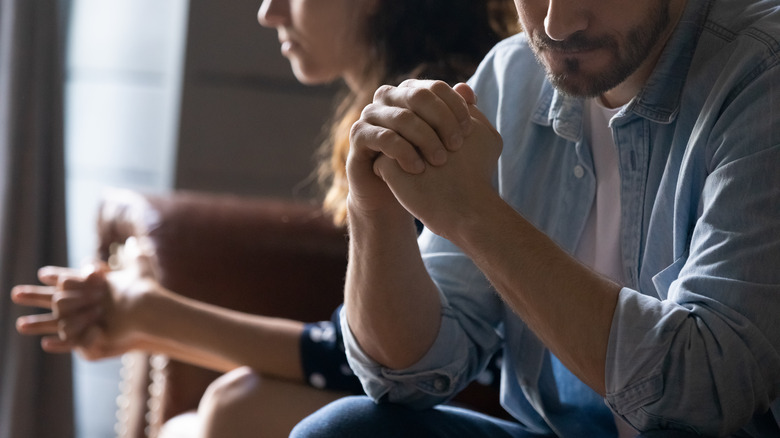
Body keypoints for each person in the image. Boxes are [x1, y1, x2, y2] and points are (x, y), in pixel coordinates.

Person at [10, 0, 519, 437]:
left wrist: (151, 316)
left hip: (480, 401)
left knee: (240, 407)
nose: (267, 12)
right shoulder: (394, 109)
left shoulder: (441, 114)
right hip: (430, 391)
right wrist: (141, 320)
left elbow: (371, 359)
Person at [289, 0, 780, 436]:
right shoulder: (513, 74)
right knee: (341, 429)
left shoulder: (762, 71)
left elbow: (708, 391)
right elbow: (405, 374)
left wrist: (474, 214)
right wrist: (374, 209)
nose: (557, 23)